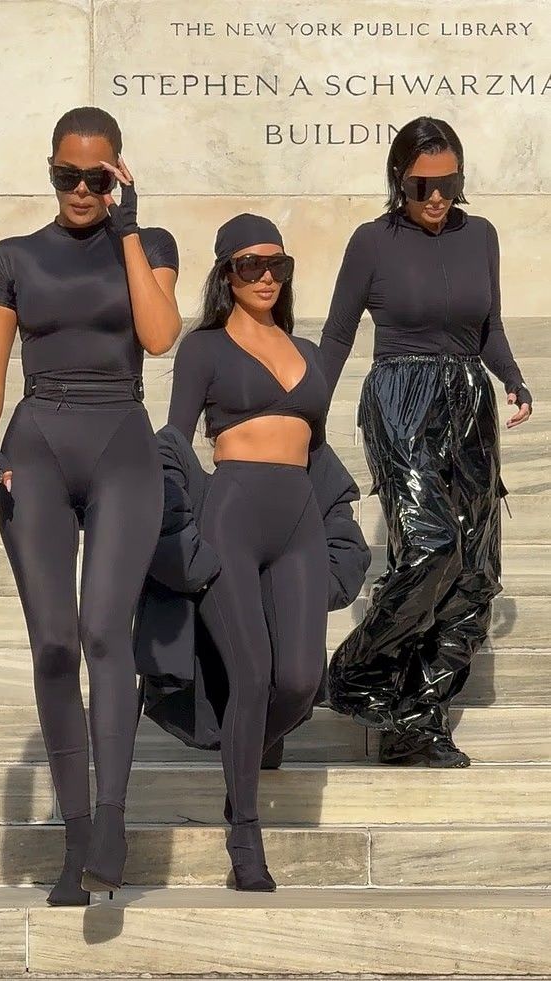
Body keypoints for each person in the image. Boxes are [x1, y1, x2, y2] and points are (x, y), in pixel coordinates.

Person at [0, 106, 182, 905]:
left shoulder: (149, 245)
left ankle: (113, 822)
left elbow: (159, 336)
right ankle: (76, 839)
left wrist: (130, 230)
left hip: (121, 439)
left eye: (97, 177)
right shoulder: (14, 256)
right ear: (52, 171)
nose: (82, 190)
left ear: (118, 173)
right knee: (55, 645)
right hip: (37, 447)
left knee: (102, 630)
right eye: (68, 175)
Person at [320, 116, 533, 768]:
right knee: (431, 548)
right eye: (421, 186)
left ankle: (418, 720)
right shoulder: (371, 241)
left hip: (469, 401)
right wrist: (305, 415)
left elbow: (489, 326)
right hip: (400, 399)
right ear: (399, 180)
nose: (436, 197)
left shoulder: (481, 236)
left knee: (475, 572)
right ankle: (353, 672)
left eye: (448, 184)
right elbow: (336, 334)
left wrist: (513, 378)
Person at [167, 213, 334, 890]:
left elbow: (319, 450)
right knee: (254, 674)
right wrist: (176, 524)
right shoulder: (203, 348)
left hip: (299, 519)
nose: (266, 277)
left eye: (277, 265)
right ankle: (244, 834)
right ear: (225, 274)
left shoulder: (309, 351)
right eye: (250, 265)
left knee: (300, 680)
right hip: (231, 514)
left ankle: (247, 743)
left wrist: (339, 519)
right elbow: (175, 440)